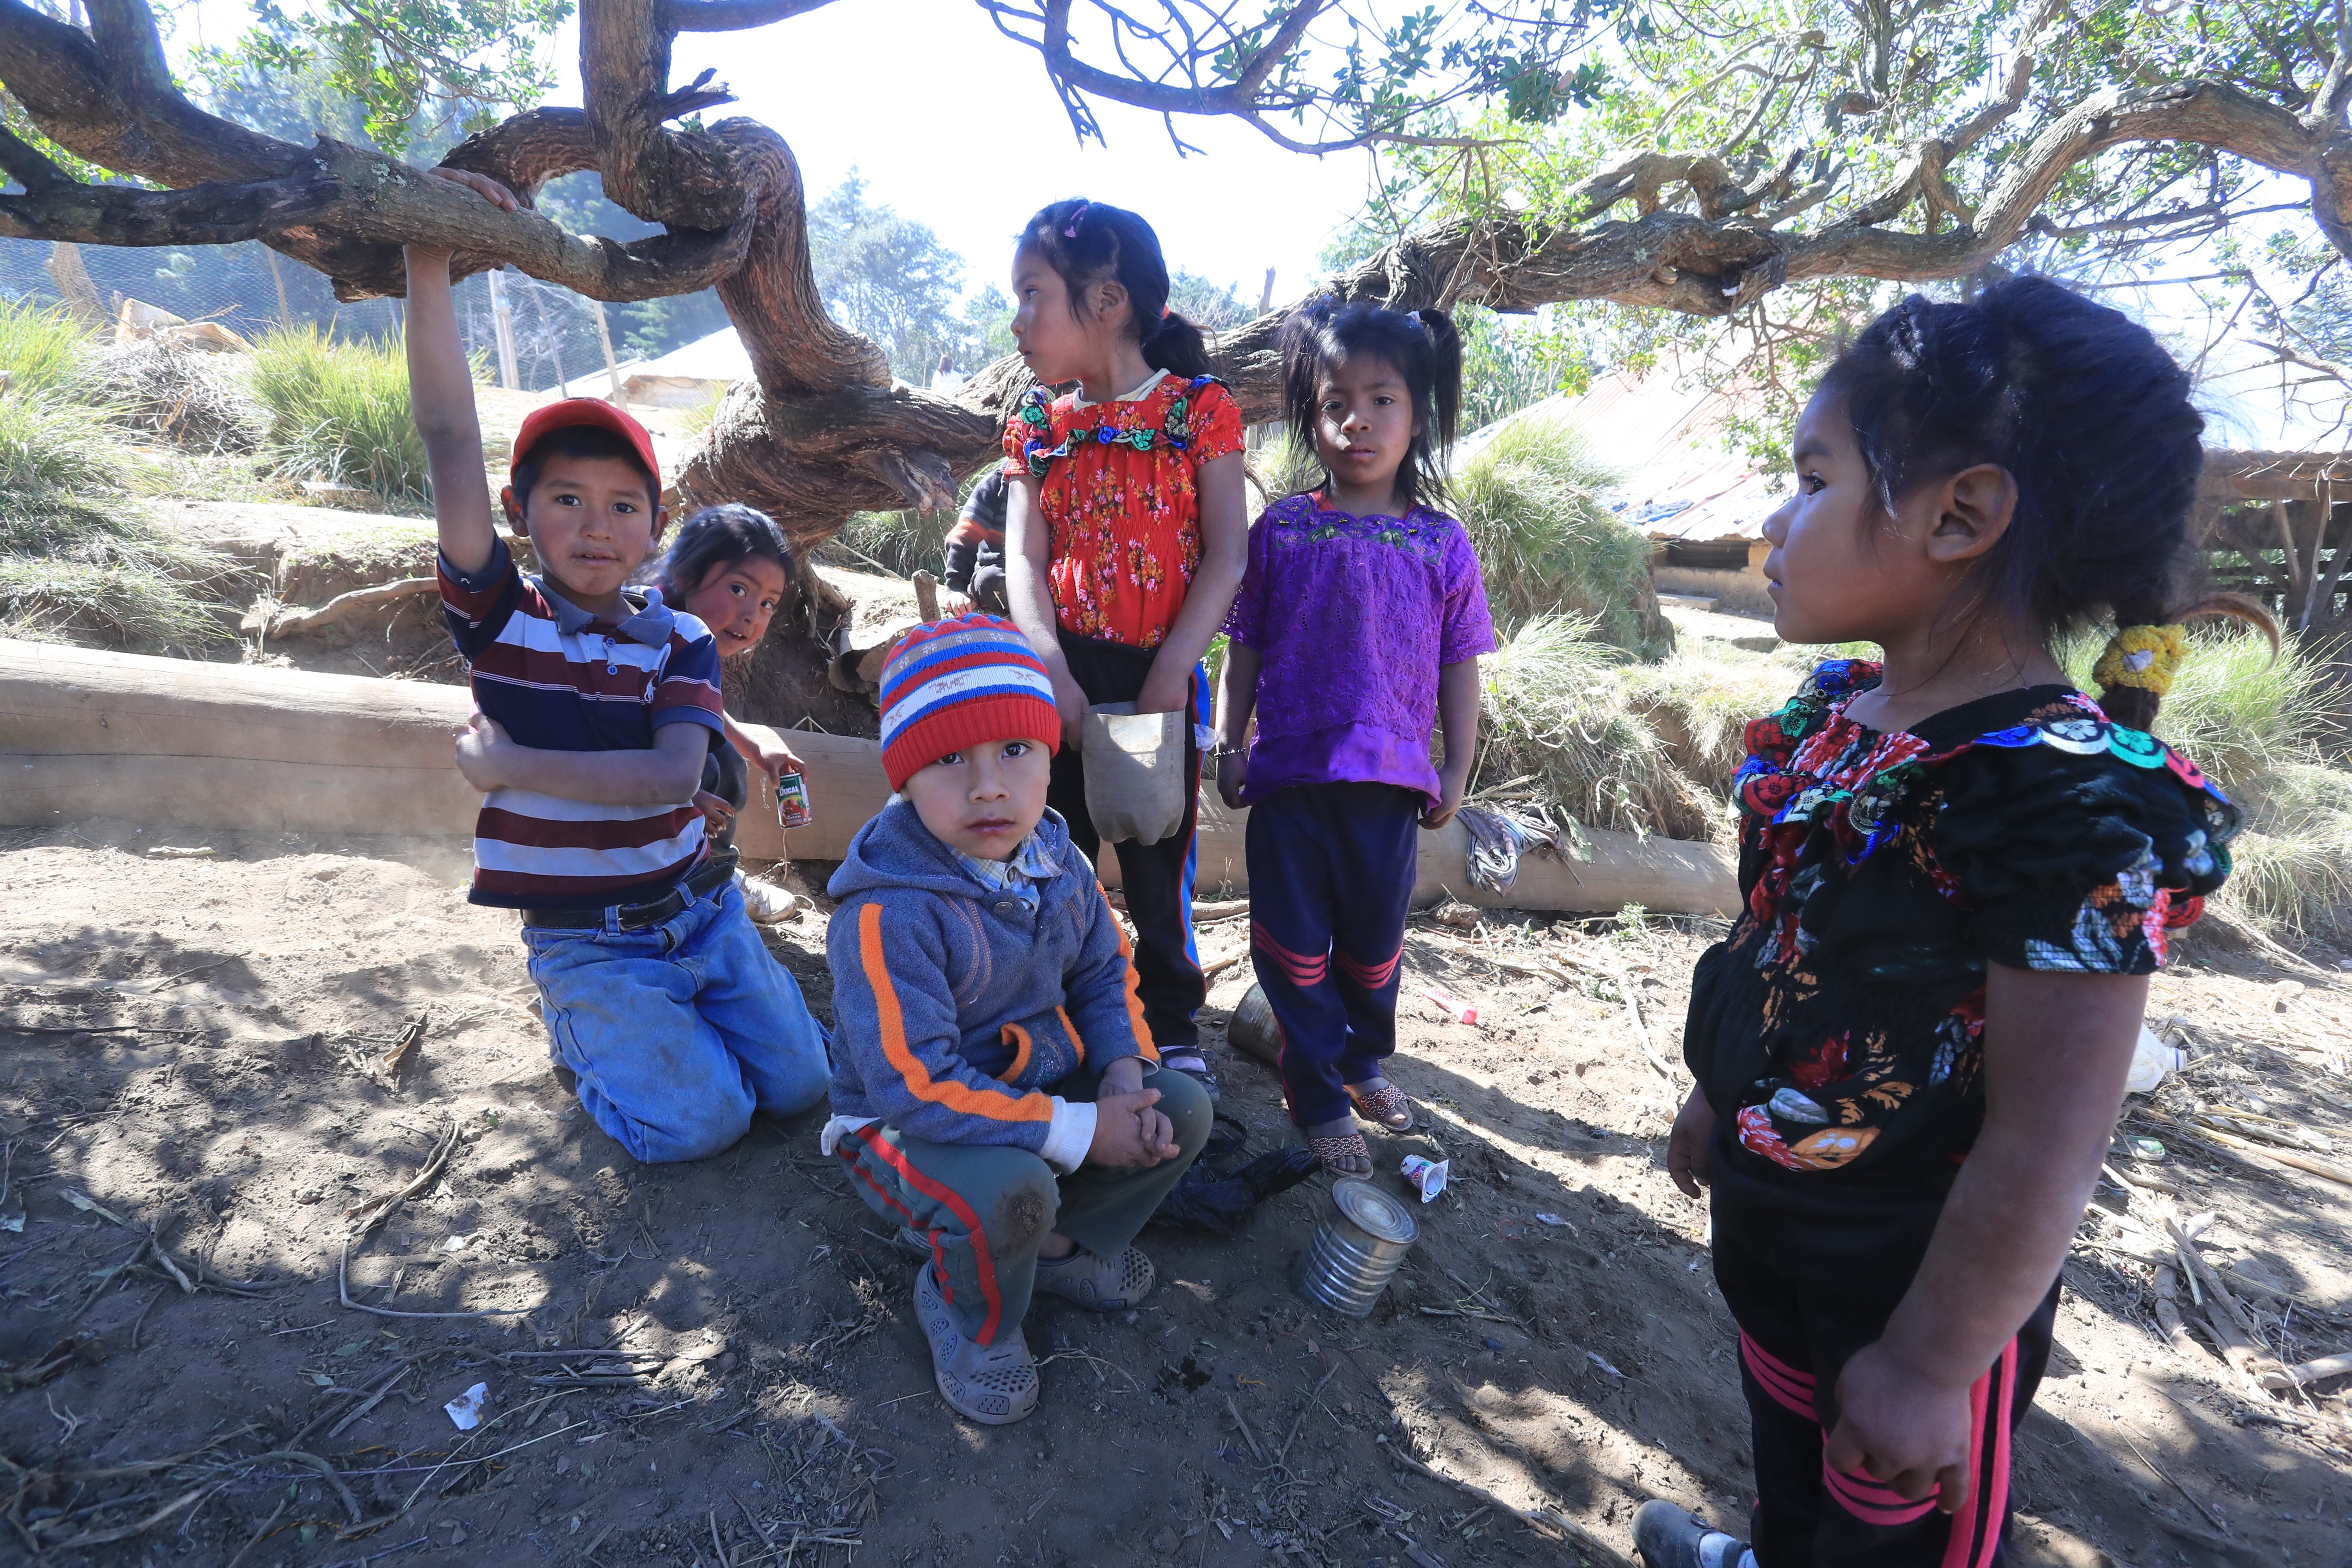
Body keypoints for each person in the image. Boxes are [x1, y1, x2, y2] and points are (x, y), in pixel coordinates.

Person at [1634, 279, 2252, 1568]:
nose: (1772, 521)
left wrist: (1927, 1361)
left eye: (1812, 478)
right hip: (1776, 1218)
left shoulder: (2062, 801)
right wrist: (1720, 1092)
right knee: (1792, 1459)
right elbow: (1779, 936)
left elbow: (2044, 1139)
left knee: (1887, 1524)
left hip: (1913, 1281)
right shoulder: (1837, 724)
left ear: (1961, 513)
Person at [404, 169, 830, 1164]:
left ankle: (676, 1019)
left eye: (623, 504)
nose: (595, 525)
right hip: (588, 939)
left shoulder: (679, 639)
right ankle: (582, 1026)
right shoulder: (502, 624)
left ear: (653, 529)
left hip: (703, 913)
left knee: (804, 1087)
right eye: (566, 500)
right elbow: (449, 442)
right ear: (521, 517)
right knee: (702, 1124)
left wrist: (509, 769)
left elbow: (669, 776)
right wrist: (427, 259)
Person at [823, 614, 1210, 1425]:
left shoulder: (1058, 858)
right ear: (902, 779)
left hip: (1025, 1078)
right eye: (948, 759)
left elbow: (1105, 973)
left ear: (1049, 754)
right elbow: (913, 1087)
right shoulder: (886, 911)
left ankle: (1063, 1247)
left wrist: (1120, 1077)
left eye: (1014, 751)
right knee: (1011, 1189)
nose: (988, 786)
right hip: (902, 1125)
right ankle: (969, 1313)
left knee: (1179, 1108)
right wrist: (1077, 1130)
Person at [1213, 300, 1492, 1177]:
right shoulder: (1283, 532)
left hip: (1392, 784)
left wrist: (1457, 765)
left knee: (1373, 947)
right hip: (1292, 781)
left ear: (1421, 418)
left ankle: (1362, 1059)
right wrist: (1229, 743)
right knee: (1290, 943)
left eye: (1383, 401)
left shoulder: (1441, 545)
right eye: (1337, 403)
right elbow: (1244, 648)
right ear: (1312, 416)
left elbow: (1460, 667)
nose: (1357, 421)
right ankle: (1317, 1090)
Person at [1001, 197, 1248, 1103]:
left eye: (1034, 295)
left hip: (1162, 671)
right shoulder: (1039, 427)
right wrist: (1052, 669)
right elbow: (1023, 562)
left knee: (1158, 853)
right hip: (1059, 671)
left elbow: (1229, 551)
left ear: (1106, 301)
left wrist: (1176, 672)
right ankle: (1052, 1005)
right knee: (1049, 844)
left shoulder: (1199, 414)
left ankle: (1172, 1021)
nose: (1019, 320)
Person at [941, 469, 1011, 616]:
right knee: (991, 580)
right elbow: (966, 534)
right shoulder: (997, 483)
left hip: (1046, 572)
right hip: (998, 570)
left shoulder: (1063, 479)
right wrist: (956, 587)